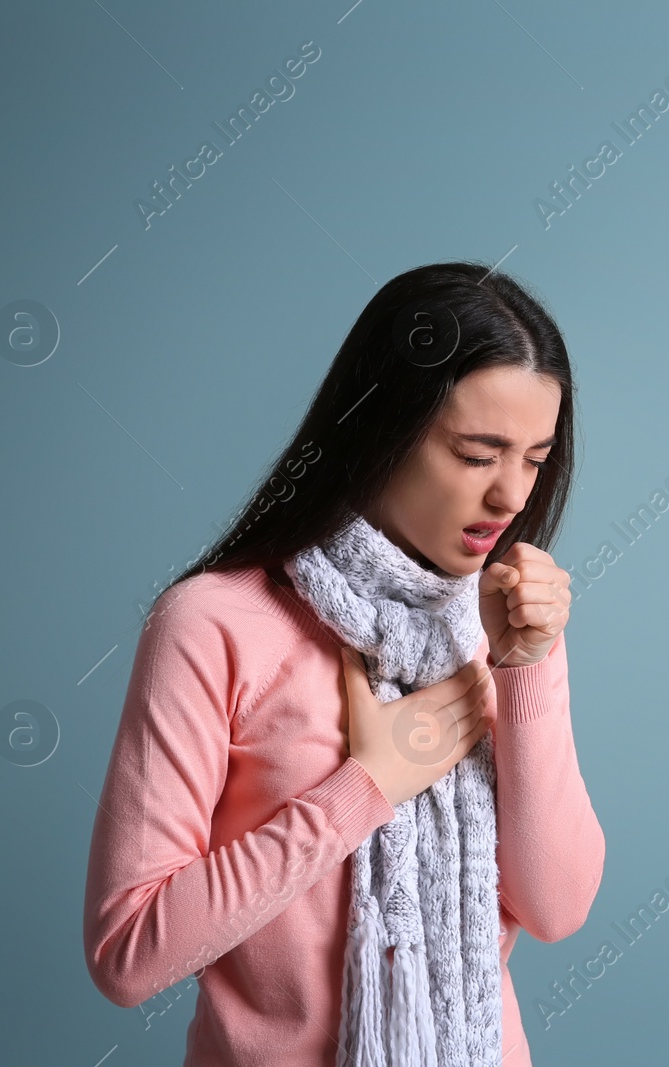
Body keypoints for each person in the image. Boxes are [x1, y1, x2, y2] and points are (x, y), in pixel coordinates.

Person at [81, 262, 605, 1065]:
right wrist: (367, 787)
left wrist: (526, 665)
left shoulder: (498, 620)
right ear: (381, 429)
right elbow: (127, 953)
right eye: (476, 453)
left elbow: (557, 905)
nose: (511, 496)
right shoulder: (215, 623)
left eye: (534, 458)